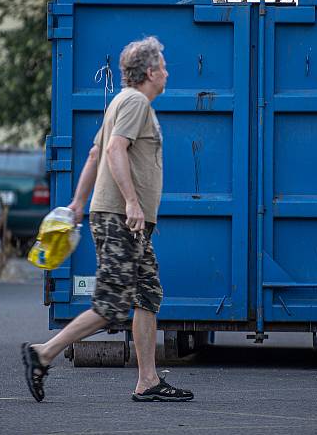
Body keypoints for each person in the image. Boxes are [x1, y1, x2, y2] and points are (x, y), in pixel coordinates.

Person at [21, 36, 194, 403]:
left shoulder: (121, 101)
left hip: (122, 217)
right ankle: (43, 353)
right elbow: (114, 150)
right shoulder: (134, 102)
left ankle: (148, 381)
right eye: (162, 65)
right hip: (121, 218)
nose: (166, 71)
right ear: (150, 72)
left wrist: (77, 206)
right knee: (112, 304)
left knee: (148, 294)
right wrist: (132, 202)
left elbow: (94, 153)